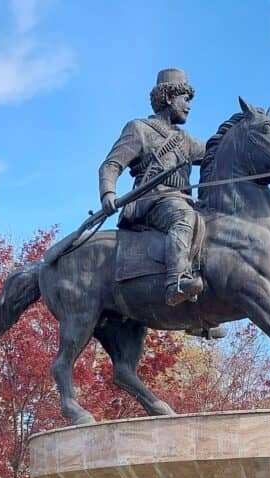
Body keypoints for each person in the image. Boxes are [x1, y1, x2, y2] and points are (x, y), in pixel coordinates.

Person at [98, 68, 206, 307]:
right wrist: (108, 192)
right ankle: (176, 283)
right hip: (152, 201)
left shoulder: (186, 140)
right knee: (185, 218)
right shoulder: (139, 129)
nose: (189, 105)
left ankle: (201, 311)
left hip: (180, 200)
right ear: (169, 98)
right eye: (185, 99)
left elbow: (214, 152)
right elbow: (111, 165)